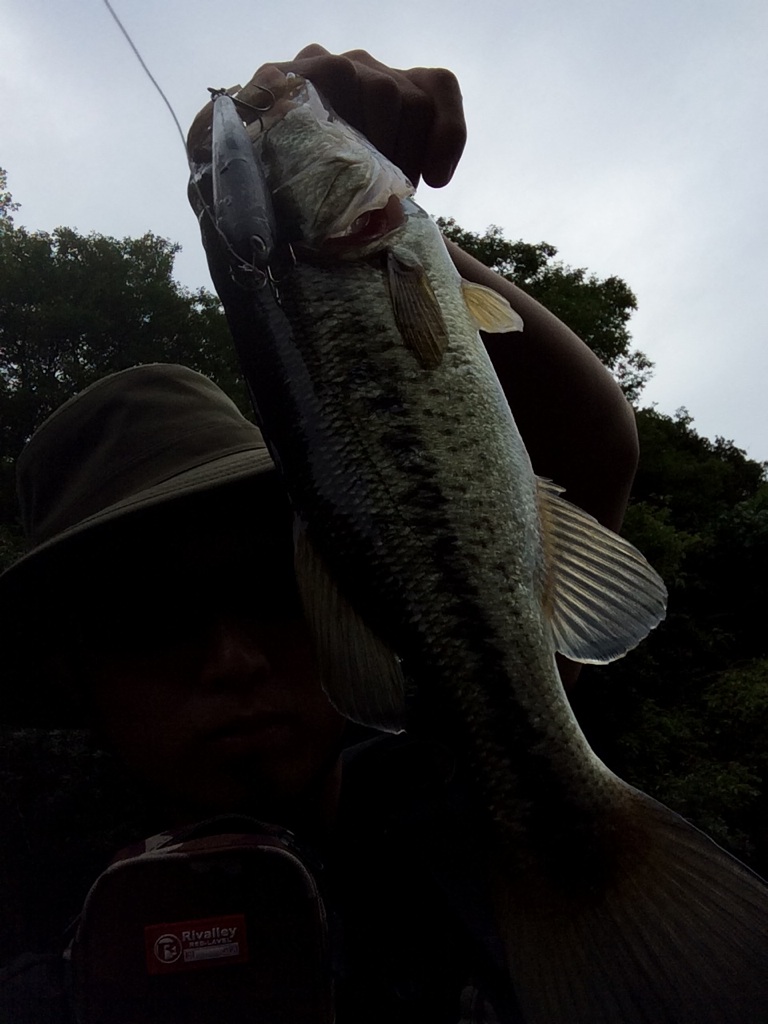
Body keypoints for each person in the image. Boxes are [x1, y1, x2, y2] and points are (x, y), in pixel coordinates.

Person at [0, 48, 638, 1024]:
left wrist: (330, 207)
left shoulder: (453, 769)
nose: (232, 658)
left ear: (340, 576)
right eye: (148, 616)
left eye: (272, 583)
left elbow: (593, 445)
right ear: (66, 672)